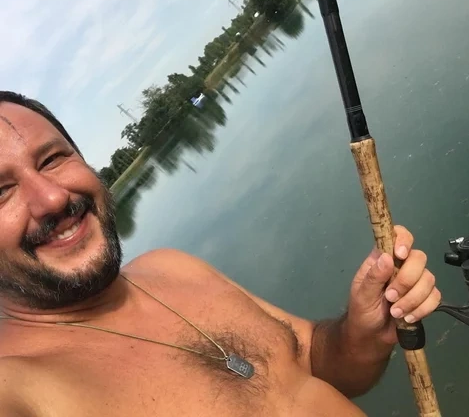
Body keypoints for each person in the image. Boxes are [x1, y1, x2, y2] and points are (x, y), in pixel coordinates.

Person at [0, 91, 441, 416]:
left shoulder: (171, 267)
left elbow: (317, 363)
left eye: (52, 159)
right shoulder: (19, 386)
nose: (53, 199)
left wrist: (364, 331)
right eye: (2, 192)